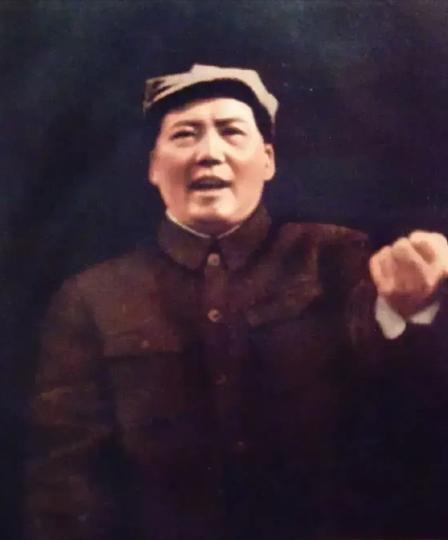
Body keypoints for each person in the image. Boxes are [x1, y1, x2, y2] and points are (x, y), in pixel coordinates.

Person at [25, 64, 448, 540]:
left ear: (267, 160)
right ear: (154, 167)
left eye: (231, 132)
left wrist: (413, 309)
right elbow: (62, 485)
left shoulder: (338, 257)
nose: (209, 153)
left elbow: (406, 416)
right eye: (185, 134)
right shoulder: (91, 297)